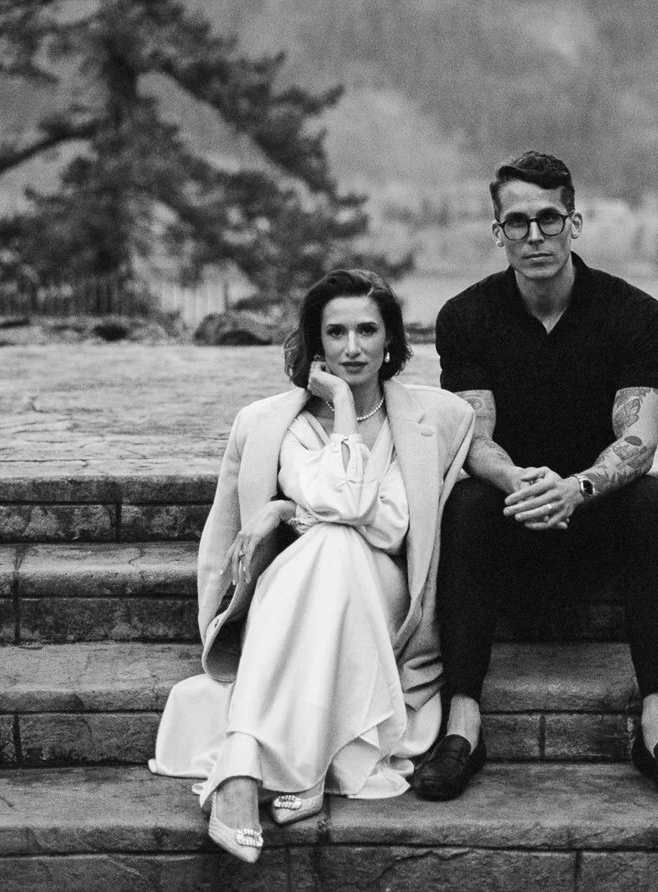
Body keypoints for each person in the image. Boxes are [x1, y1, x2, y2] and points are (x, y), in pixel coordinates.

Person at [411, 151, 658, 805]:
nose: (535, 235)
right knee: (465, 503)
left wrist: (575, 488)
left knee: (653, 502)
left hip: (595, 520)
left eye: (549, 218)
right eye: (517, 222)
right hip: (513, 517)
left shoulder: (633, 313)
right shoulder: (467, 317)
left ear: (575, 223)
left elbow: (640, 438)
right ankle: (463, 722)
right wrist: (525, 484)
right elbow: (473, 435)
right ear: (498, 233)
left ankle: (657, 723)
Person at [150, 269, 474, 863]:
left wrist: (291, 503)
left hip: (384, 595)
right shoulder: (277, 423)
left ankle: (245, 765)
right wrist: (305, 496)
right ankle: (283, 776)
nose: (353, 347)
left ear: (390, 340)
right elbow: (347, 509)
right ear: (316, 344)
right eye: (336, 332)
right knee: (333, 545)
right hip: (296, 591)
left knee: (338, 542)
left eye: (367, 331)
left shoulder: (437, 420)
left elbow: (385, 521)